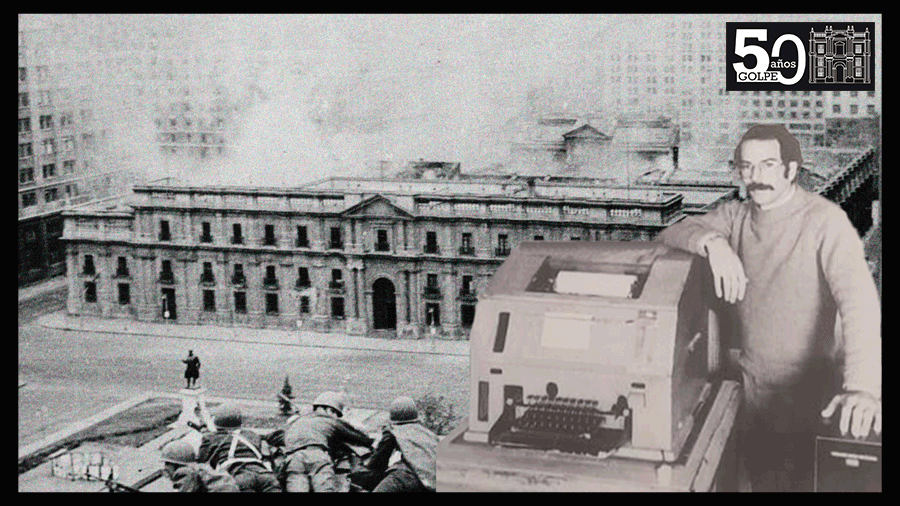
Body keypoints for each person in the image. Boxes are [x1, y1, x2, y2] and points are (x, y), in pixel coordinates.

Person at [658, 124, 881, 492]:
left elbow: (859, 303)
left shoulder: (825, 221)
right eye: (747, 167)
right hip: (754, 394)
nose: (755, 177)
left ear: (792, 170)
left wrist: (862, 388)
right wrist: (713, 243)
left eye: (767, 165)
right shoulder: (734, 216)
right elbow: (671, 232)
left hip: (815, 399)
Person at [266, 391, 374, 492]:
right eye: (336, 413)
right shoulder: (331, 421)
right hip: (318, 457)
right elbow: (363, 439)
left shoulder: (297, 421)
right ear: (329, 409)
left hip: (294, 460)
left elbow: (273, 437)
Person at [197, 404, 282, 492]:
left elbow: (201, 462)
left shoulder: (210, 438)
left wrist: (208, 432)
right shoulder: (252, 435)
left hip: (239, 477)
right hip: (265, 475)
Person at [363, 396, 437, 492]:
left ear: (393, 415)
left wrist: (366, 469)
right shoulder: (427, 432)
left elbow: (379, 461)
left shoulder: (393, 431)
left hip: (411, 476)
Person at [160, 438, 240, 492]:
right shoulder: (200, 468)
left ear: (176, 463)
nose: (165, 467)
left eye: (167, 463)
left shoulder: (184, 472)